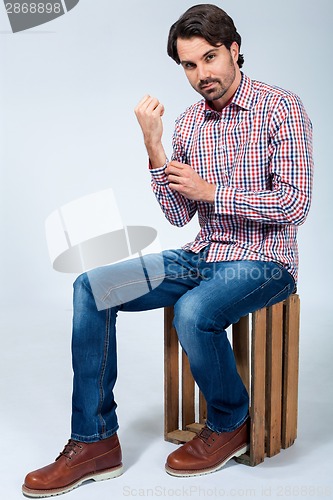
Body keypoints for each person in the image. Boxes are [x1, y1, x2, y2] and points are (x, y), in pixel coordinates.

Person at [22, 3, 313, 497]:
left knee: (193, 311)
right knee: (92, 288)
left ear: (235, 51)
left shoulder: (280, 107)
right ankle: (95, 442)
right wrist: (155, 148)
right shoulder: (190, 123)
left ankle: (229, 421)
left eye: (211, 58)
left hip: (266, 261)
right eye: (189, 65)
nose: (203, 74)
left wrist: (213, 193)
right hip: (201, 254)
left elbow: (295, 204)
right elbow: (178, 216)